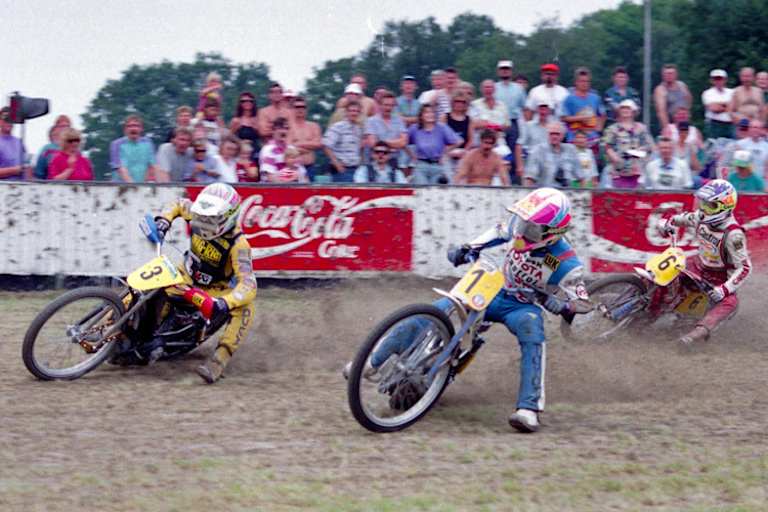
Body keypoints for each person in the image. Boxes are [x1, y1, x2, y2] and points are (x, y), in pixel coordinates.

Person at [153, 183, 257, 383]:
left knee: (245, 309)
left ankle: (218, 362)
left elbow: (249, 284)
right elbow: (178, 203)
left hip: (213, 292)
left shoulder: (239, 244)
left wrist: (225, 303)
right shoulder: (199, 212)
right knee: (149, 280)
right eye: (202, 217)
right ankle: (115, 322)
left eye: (213, 219)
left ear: (229, 216)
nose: (204, 223)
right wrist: (164, 220)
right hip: (184, 275)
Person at [658, 180, 751, 346]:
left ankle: (692, 337)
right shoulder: (700, 216)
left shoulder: (733, 234)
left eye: (710, 206)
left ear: (724, 207)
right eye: (703, 204)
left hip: (717, 280)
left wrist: (725, 289)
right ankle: (648, 302)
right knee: (668, 270)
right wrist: (668, 222)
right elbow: (683, 218)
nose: (704, 210)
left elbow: (744, 267)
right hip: (697, 266)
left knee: (730, 302)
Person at [601, 99, 654, 188]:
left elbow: (650, 146)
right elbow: (605, 146)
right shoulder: (612, 129)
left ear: (633, 111)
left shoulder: (641, 128)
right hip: (618, 172)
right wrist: (614, 156)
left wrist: (638, 152)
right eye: (622, 108)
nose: (625, 110)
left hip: (638, 171)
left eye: (628, 108)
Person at [406, 104, 462, 184]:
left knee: (434, 191)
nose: (430, 115)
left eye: (432, 112)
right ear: (421, 115)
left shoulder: (442, 128)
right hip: (421, 165)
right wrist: (412, 155)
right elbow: (403, 142)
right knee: (421, 190)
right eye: (427, 112)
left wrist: (444, 153)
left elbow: (458, 141)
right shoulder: (415, 128)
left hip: (437, 165)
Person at [560, 67, 605, 152]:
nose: (585, 84)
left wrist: (599, 128)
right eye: (582, 81)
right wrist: (581, 118)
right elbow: (563, 117)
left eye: (587, 81)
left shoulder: (596, 98)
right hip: (574, 139)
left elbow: (602, 114)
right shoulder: (569, 99)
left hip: (592, 139)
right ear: (576, 82)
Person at [523, 121, 580, 187]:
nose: (554, 136)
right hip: (544, 193)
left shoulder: (571, 150)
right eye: (552, 134)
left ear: (563, 135)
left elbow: (581, 177)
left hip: (566, 194)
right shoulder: (538, 151)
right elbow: (530, 178)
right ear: (547, 134)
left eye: (557, 134)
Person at [322, 101, 364, 183]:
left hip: (355, 170)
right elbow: (326, 145)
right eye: (351, 111)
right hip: (342, 171)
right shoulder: (338, 127)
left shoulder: (359, 129)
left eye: (357, 111)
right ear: (346, 112)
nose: (354, 113)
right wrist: (337, 164)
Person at [364, 90, 407, 167]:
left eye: (391, 105)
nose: (388, 108)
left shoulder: (399, 120)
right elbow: (372, 143)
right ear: (380, 105)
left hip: (394, 160)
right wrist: (394, 144)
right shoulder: (371, 121)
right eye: (386, 105)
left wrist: (382, 142)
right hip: (376, 161)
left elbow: (403, 142)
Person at [109, 115, 156, 182]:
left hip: (143, 186)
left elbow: (151, 166)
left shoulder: (148, 143)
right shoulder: (116, 144)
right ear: (125, 129)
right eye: (130, 126)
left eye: (136, 126)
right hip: (120, 186)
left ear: (141, 128)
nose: (133, 128)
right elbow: (119, 168)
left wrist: (144, 185)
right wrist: (133, 186)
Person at [441, 91, 476, 181]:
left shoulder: (469, 120)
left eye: (462, 102)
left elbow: (471, 140)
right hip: (447, 152)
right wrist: (448, 151)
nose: (459, 104)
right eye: (457, 101)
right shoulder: (445, 117)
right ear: (452, 102)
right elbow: (440, 137)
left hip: (463, 152)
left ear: (466, 104)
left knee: (462, 177)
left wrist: (464, 151)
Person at [495, 60, 527, 157]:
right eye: (502, 69)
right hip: (497, 123)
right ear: (498, 71)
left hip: (513, 123)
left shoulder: (519, 88)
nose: (505, 71)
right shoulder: (494, 87)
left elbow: (524, 108)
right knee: (498, 150)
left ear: (511, 71)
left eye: (507, 69)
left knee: (514, 150)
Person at [515, 101, 554, 178]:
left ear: (549, 111)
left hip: (549, 164)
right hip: (531, 163)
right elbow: (519, 145)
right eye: (541, 109)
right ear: (537, 110)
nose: (543, 112)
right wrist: (520, 166)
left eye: (545, 109)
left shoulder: (554, 127)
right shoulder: (529, 126)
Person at [288, 96, 322, 181]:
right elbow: (289, 148)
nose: (300, 109)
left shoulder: (314, 126)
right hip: (293, 169)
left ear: (306, 109)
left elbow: (318, 144)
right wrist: (309, 147)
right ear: (292, 109)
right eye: (297, 107)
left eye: (303, 107)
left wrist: (298, 143)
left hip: (310, 168)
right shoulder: (288, 127)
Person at [653, 64, 692, 131]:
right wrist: (667, 128)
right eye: (667, 74)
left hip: (683, 121)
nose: (669, 76)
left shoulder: (682, 86)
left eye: (671, 73)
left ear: (676, 74)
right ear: (663, 75)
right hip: (670, 123)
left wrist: (686, 114)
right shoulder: (661, 90)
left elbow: (689, 100)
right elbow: (661, 111)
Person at [702, 69, 735, 139]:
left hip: (729, 125)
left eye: (720, 79)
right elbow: (713, 108)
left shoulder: (732, 92)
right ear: (712, 81)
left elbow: (735, 106)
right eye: (715, 79)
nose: (718, 81)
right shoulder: (707, 93)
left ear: (725, 80)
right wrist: (727, 105)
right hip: (714, 125)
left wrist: (719, 104)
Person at [229, 92, 260, 156]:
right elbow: (230, 137)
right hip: (241, 151)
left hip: (255, 150)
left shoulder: (258, 119)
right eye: (244, 101)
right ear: (240, 103)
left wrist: (256, 128)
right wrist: (240, 142)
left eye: (250, 101)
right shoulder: (236, 120)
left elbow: (263, 135)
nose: (247, 103)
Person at [0, 107, 27, 180]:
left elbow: (27, 166)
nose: (9, 122)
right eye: (6, 119)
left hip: (21, 188)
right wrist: (14, 170)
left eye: (12, 119)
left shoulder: (19, 142)